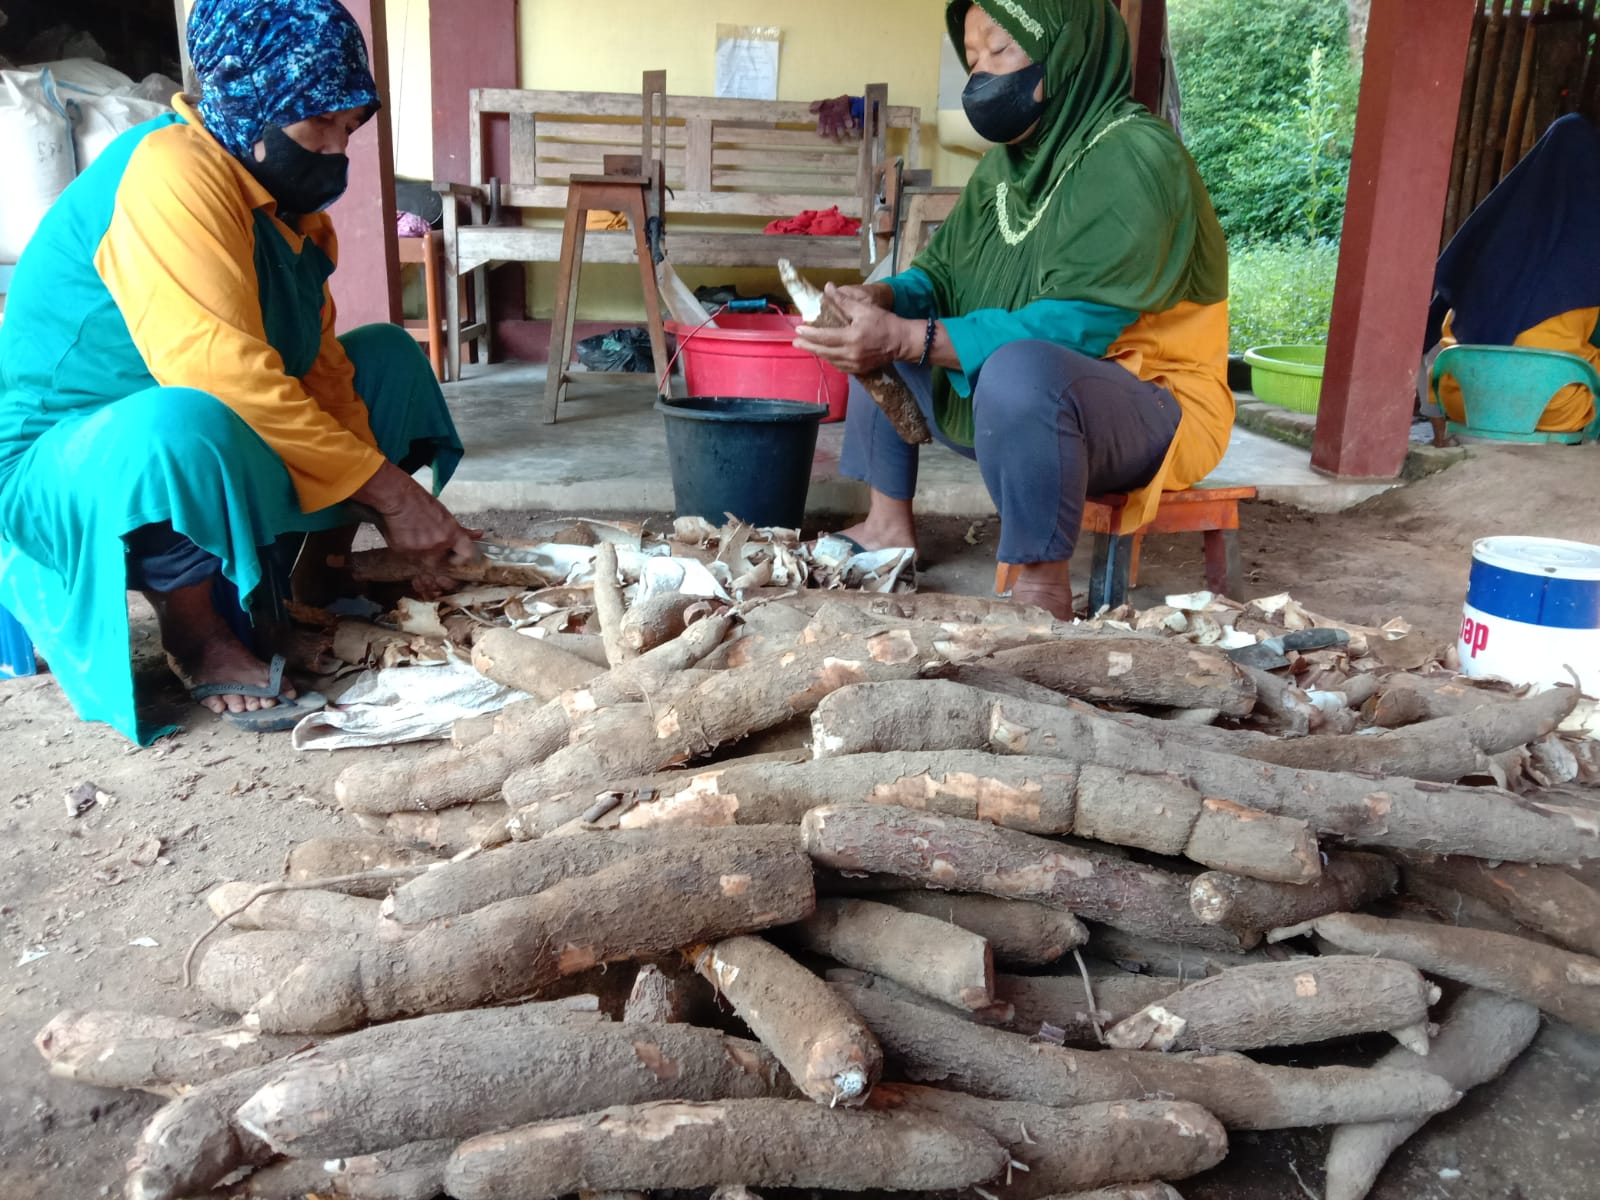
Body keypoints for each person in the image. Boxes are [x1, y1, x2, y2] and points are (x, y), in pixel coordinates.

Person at [0, 0, 477, 742]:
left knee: (384, 357)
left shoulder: (286, 214)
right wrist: (390, 493)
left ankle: (322, 579)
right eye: (317, 123)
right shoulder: (171, 172)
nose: (335, 153)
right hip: (71, 463)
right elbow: (220, 371)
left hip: (203, 427)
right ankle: (197, 634)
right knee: (185, 416)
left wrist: (392, 499)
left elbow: (319, 371)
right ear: (251, 101)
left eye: (349, 129)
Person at [795, 0, 1231, 620]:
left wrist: (907, 338)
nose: (982, 79)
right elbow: (943, 273)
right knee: (868, 333)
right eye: (973, 60)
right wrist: (882, 300)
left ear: (1066, 51)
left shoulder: (1135, 157)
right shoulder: (1009, 161)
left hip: (1151, 402)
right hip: (1029, 399)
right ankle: (887, 528)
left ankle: (1040, 582)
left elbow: (1075, 329)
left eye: (1000, 53)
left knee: (1019, 369)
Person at [1426, 113, 1600, 435]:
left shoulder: (1498, 228)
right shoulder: (1590, 243)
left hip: (1462, 400)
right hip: (1550, 411)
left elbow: (1438, 310)